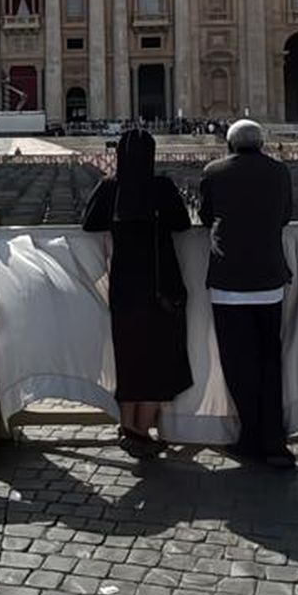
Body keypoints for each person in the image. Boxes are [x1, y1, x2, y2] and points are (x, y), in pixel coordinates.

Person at [83, 127, 192, 457]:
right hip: (160, 286)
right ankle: (141, 430)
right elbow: (183, 224)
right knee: (158, 359)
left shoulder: (110, 187)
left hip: (124, 287)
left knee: (129, 357)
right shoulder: (161, 187)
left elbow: (89, 223)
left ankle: (128, 425)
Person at [199, 119, 295, 468]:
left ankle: (250, 436)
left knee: (239, 365)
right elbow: (286, 215)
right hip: (269, 280)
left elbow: (206, 215)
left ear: (229, 144)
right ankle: (276, 441)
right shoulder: (279, 171)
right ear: (261, 143)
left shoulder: (214, 172)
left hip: (230, 283)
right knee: (271, 363)